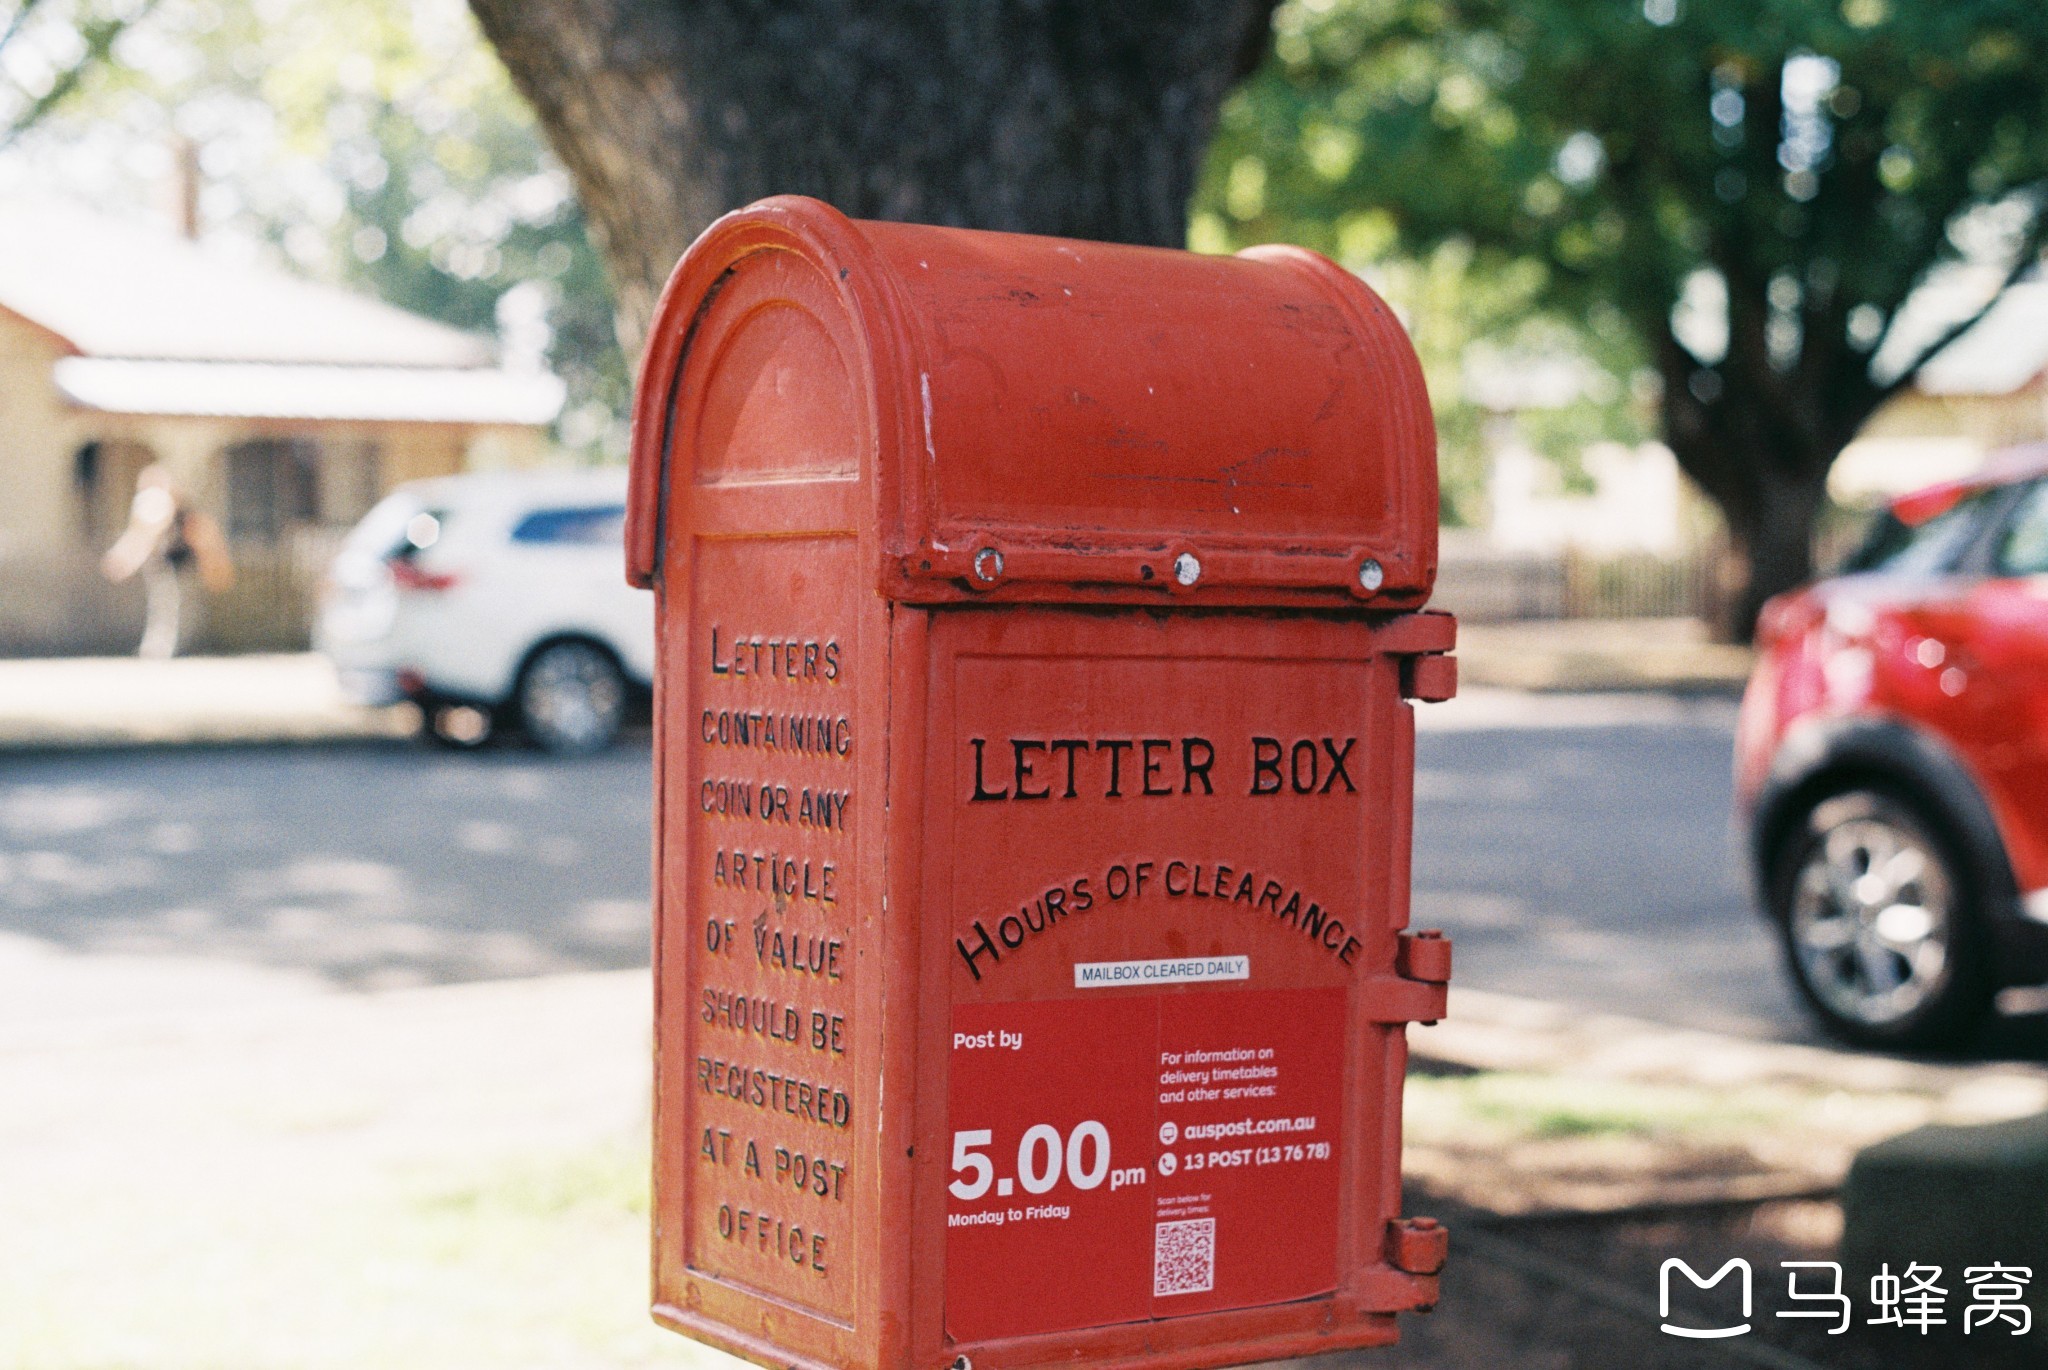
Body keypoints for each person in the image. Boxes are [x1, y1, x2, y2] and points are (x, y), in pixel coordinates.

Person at [100, 463, 233, 658]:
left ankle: (176, 645)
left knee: (181, 606)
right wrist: (124, 558)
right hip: (162, 566)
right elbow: (140, 536)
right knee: (164, 604)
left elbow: (207, 543)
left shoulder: (186, 515)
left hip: (183, 566)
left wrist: (215, 570)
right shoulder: (152, 507)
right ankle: (161, 646)